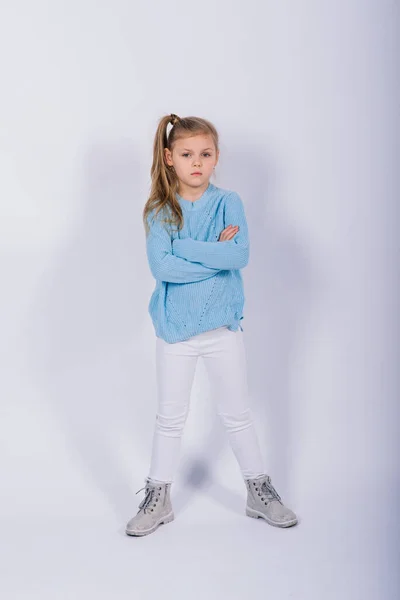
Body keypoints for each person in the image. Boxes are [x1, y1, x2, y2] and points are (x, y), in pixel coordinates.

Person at [125, 113, 298, 537]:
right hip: (176, 332)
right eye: (187, 155)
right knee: (170, 418)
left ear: (216, 157)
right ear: (169, 158)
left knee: (238, 414)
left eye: (205, 154)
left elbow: (238, 257)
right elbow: (161, 266)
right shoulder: (160, 210)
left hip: (222, 329)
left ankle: (259, 490)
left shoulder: (228, 203)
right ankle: (158, 495)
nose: (196, 162)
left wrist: (187, 250)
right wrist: (208, 253)